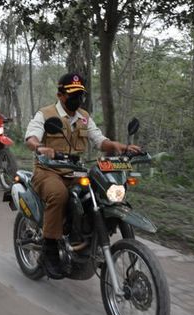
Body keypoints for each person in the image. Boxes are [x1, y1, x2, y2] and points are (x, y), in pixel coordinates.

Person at [24, 73, 140, 279]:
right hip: (48, 171)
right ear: (60, 94)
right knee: (59, 195)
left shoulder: (84, 116)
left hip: (76, 171)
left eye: (80, 94)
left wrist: (120, 147)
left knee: (100, 193)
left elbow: (100, 141)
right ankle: (49, 251)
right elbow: (31, 137)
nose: (77, 98)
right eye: (73, 94)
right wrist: (40, 147)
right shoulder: (46, 114)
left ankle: (87, 237)